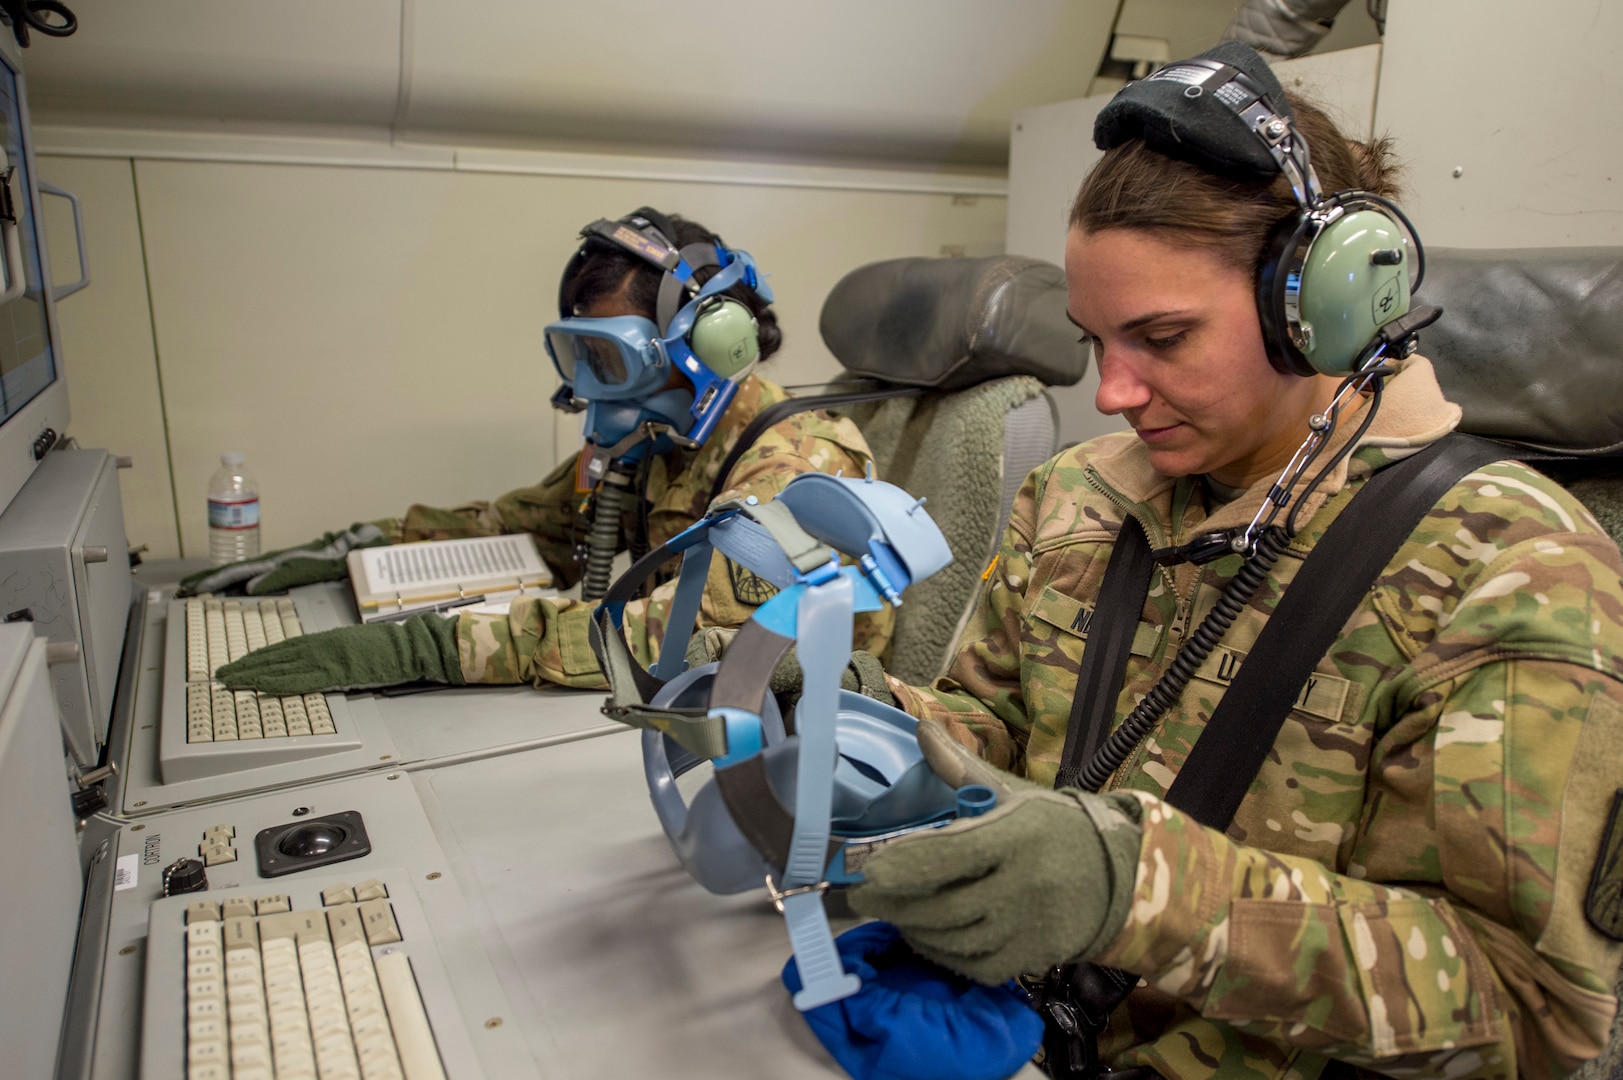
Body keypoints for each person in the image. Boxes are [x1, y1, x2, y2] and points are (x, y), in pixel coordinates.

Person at [844, 44, 1623, 1080]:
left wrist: (1134, 890)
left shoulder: (1513, 565)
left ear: (1321, 310)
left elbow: (1532, 1011)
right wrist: (854, 721)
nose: (1115, 392)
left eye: (1163, 337)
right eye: (1097, 341)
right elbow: (989, 731)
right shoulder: (1077, 494)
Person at [204, 208, 892, 694]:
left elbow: (693, 640)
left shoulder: (797, 466)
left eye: (609, 357)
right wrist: (352, 546)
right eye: (577, 352)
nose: (586, 386)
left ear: (709, 345)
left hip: (791, 746)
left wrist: (435, 646)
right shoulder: (663, 437)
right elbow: (527, 524)